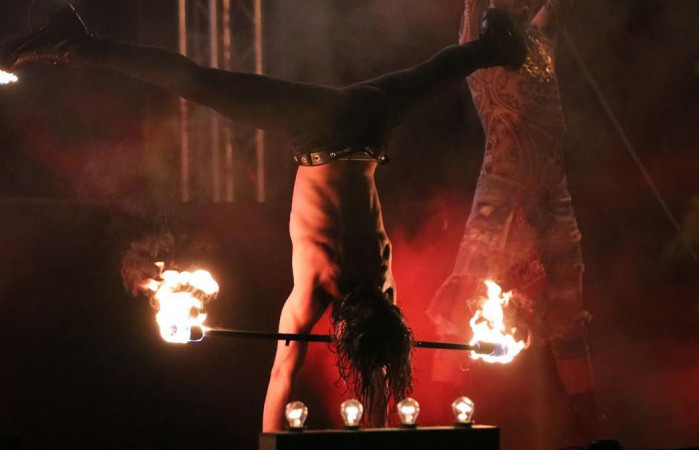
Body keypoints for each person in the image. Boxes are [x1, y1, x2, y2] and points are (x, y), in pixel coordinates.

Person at [0, 3, 525, 430]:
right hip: (319, 130)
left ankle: (496, 46)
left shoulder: (384, 282)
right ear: (344, 326)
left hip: (370, 123)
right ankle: (76, 42)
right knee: (199, 81)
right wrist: (273, 443)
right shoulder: (316, 286)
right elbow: (282, 378)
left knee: (429, 75)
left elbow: (382, 363)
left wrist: (379, 419)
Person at [426, 0, 603, 444]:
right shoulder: (481, 50)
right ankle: (434, 423)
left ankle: (591, 430)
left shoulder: (539, 41)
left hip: (553, 202)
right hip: (500, 204)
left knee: (568, 321)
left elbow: (556, 8)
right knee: (461, 313)